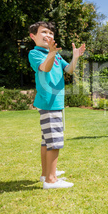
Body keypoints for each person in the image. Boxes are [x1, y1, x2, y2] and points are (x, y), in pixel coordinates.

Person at [29, 21, 85, 189]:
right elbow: (44, 68)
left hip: (55, 102)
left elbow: (69, 70)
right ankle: (51, 180)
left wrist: (75, 57)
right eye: (44, 32)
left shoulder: (56, 54)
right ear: (33, 36)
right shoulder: (35, 53)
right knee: (54, 140)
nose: (49, 35)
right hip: (49, 102)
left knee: (47, 140)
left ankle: (46, 174)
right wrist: (51, 53)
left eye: (51, 33)